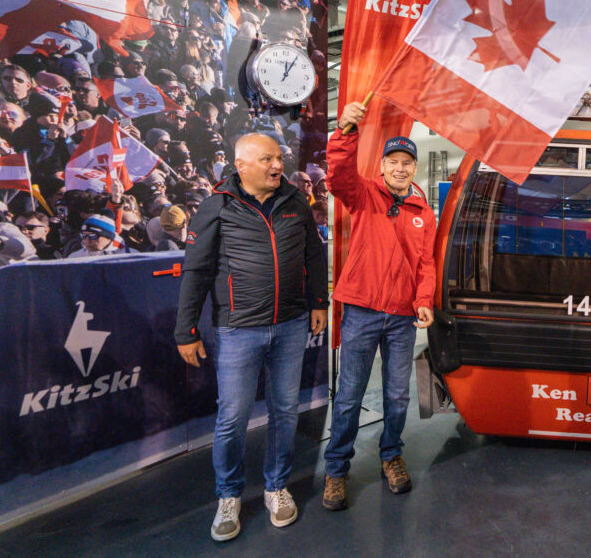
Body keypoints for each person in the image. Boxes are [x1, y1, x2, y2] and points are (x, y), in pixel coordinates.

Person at [173, 133, 329, 542]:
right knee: (232, 418)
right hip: (238, 330)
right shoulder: (216, 206)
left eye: (279, 158)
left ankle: (277, 487)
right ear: (241, 166)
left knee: (285, 412)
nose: (277, 165)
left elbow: (313, 254)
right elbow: (196, 271)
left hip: (291, 325)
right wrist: (186, 330)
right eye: (266, 159)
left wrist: (318, 301)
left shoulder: (296, 201)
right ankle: (229, 495)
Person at [322, 102, 436, 512]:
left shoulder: (424, 212)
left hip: (402, 317)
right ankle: (336, 469)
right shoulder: (364, 194)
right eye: (393, 161)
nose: (400, 168)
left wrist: (424, 301)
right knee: (349, 394)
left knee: (398, 396)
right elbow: (338, 176)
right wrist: (345, 131)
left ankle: (391, 456)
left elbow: (426, 264)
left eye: (407, 162)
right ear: (383, 166)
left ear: (414, 168)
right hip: (362, 310)